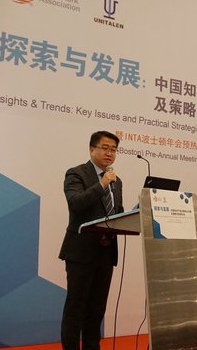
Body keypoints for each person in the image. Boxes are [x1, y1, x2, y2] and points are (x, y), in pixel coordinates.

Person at [59, 131, 123, 350]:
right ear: (91, 149)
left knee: (96, 310)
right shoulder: (76, 174)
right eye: (105, 148)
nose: (110, 153)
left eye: (113, 149)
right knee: (75, 308)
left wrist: (135, 213)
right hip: (81, 252)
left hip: (106, 252)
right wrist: (102, 184)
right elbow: (76, 203)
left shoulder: (117, 181)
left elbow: (116, 213)